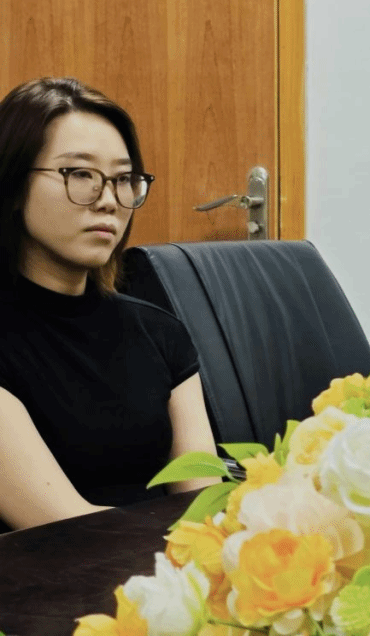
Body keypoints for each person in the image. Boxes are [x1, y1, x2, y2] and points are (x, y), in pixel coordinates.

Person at [0, 77, 219, 531]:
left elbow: (203, 503)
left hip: (167, 564)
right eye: (80, 174)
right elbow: (69, 530)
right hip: (56, 570)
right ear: (14, 186)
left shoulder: (160, 332)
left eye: (123, 179)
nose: (107, 201)